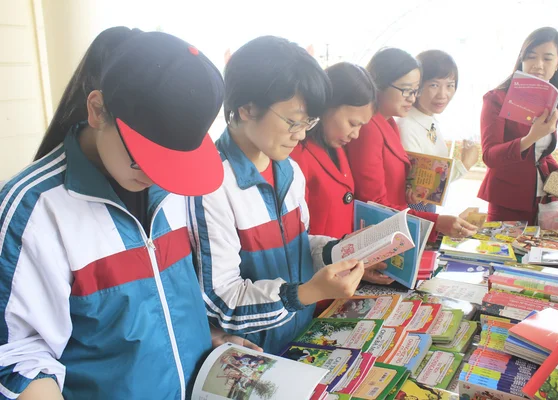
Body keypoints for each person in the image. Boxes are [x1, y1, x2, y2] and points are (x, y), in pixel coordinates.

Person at [0, 27, 257, 400]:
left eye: (173, 164)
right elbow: (16, 353)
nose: (155, 177)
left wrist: (205, 339)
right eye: (144, 159)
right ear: (98, 110)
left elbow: (164, 299)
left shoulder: (175, 189)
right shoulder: (34, 210)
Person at [188, 36, 365, 355]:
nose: (301, 134)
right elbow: (224, 301)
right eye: (293, 122)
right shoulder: (212, 185)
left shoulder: (289, 171)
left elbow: (300, 244)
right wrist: (305, 293)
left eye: (309, 122)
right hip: (254, 352)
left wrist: (337, 251)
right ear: (246, 108)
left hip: (302, 333)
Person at [346, 48, 478, 239]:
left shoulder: (389, 122)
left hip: (395, 225)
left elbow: (395, 182)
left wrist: (410, 193)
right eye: (406, 90)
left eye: (415, 91)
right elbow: (373, 204)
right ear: (379, 84)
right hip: (381, 233)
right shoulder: (369, 128)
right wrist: (435, 222)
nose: (412, 98)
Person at [290, 62, 393, 286]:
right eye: (352, 123)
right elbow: (294, 239)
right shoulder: (298, 155)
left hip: (341, 278)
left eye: (361, 127)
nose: (356, 134)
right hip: (313, 284)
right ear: (328, 105)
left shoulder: (338, 149)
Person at [478, 27, 558, 224]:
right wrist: (530, 137)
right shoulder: (496, 99)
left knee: (546, 253)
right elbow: (490, 156)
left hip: (544, 201)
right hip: (507, 201)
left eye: (547, 58)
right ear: (522, 59)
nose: (538, 65)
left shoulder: (551, 100)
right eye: (531, 57)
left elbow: (541, 153)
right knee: (507, 254)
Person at [398, 50, 479, 212]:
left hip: (426, 209)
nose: (443, 94)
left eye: (450, 85)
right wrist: (464, 164)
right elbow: (424, 186)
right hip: (413, 211)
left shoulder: (429, 120)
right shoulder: (407, 126)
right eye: (434, 85)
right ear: (417, 87)